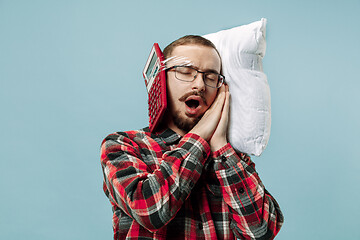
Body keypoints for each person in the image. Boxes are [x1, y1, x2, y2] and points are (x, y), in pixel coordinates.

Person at [100, 35, 284, 240]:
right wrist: (201, 135)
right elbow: (150, 210)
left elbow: (261, 232)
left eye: (211, 77)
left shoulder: (232, 160)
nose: (200, 85)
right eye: (186, 72)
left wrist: (220, 146)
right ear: (161, 81)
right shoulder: (123, 145)